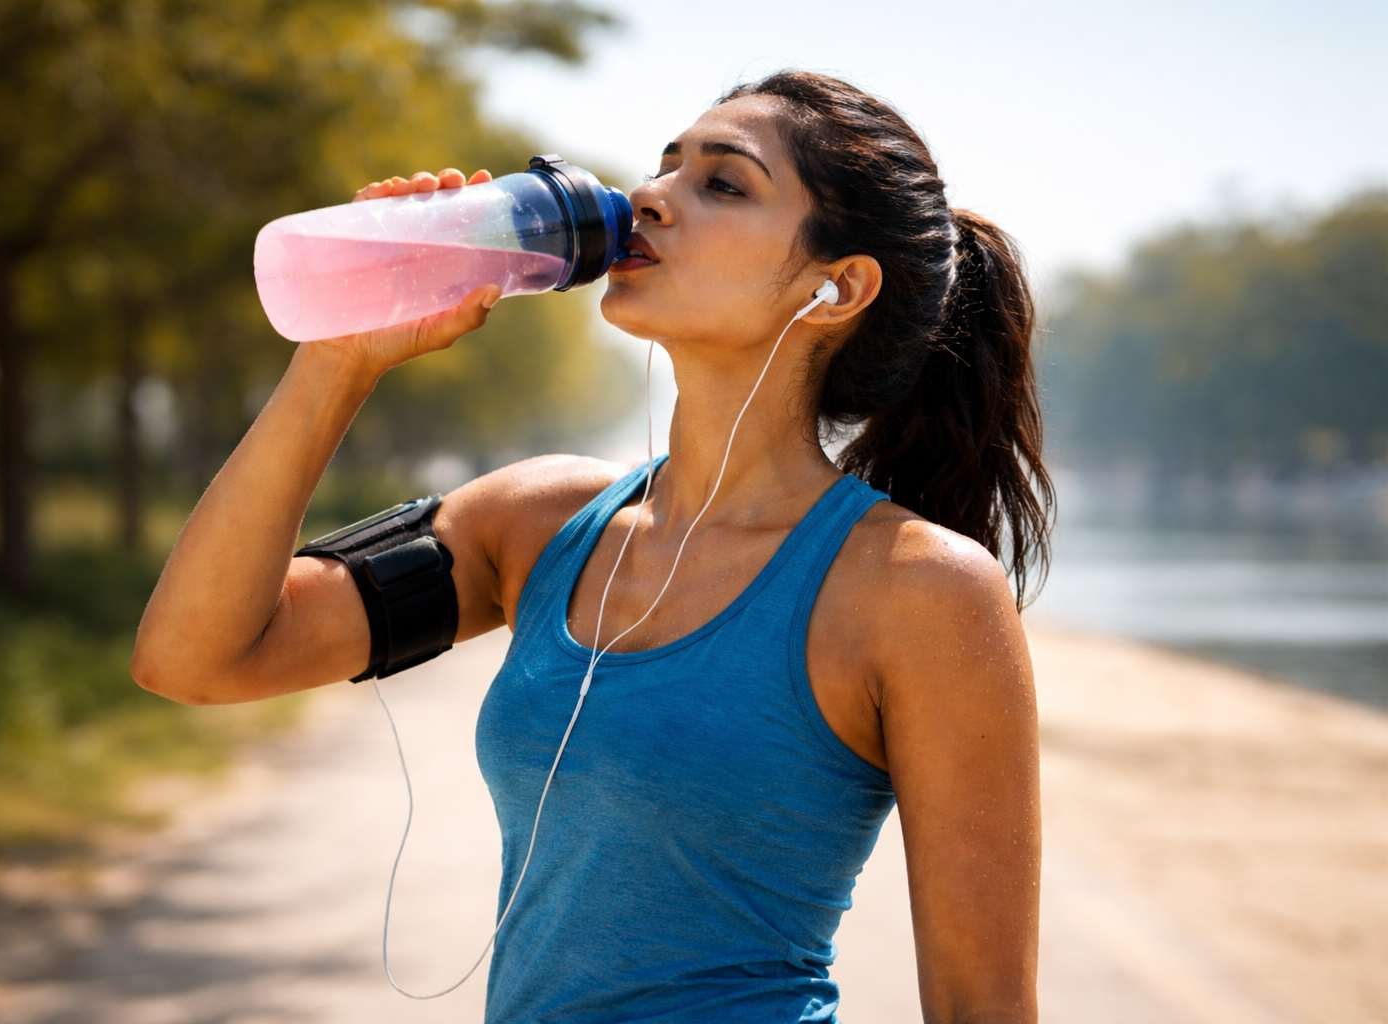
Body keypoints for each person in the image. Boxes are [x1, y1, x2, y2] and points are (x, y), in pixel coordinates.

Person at [133, 68, 1052, 1024]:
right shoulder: (538, 524)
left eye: (722, 183)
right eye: (665, 167)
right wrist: (337, 361)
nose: (649, 197)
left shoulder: (918, 592)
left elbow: (983, 1006)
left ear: (839, 286)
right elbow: (194, 658)